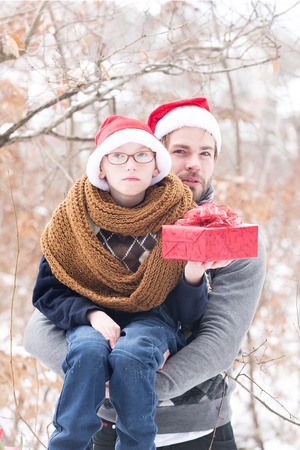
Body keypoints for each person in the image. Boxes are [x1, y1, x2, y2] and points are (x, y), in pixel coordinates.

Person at [23, 98, 266, 450]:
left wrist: (127, 381)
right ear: (157, 157)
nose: (193, 164)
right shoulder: (97, 227)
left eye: (206, 153)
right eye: (180, 151)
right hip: (104, 427)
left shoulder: (233, 240)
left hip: (198, 432)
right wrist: (91, 374)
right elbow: (40, 328)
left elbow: (219, 344)